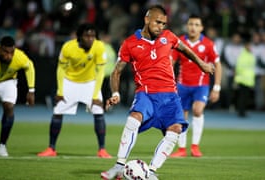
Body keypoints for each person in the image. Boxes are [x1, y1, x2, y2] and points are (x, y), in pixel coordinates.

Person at [100, 5, 214, 180]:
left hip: (170, 95)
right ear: (147, 19)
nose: (161, 26)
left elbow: (185, 50)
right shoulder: (130, 43)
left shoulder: (168, 37)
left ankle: (151, 171)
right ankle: (119, 166)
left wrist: (202, 65)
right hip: (146, 92)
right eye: (158, 22)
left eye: (164, 23)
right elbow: (116, 71)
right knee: (134, 117)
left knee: (176, 129)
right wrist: (116, 94)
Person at [37, 23, 112, 158]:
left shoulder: (99, 46)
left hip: (90, 82)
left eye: (93, 36)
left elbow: (100, 71)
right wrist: (60, 91)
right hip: (69, 82)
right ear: (79, 37)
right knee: (57, 112)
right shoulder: (68, 47)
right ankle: (51, 148)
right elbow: (61, 69)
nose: (90, 39)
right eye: (87, 36)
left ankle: (102, 150)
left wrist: (95, 94)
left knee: (98, 112)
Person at [170, 14, 222, 158]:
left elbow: (217, 65)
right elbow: (170, 63)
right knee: (182, 116)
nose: (193, 27)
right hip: (182, 85)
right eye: (191, 24)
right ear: (187, 26)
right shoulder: (179, 42)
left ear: (201, 28)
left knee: (198, 110)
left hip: (201, 85)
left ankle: (195, 147)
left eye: (196, 24)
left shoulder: (208, 44)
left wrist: (217, 87)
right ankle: (181, 149)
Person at [234, 33, 256, 117]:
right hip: (243, 79)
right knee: (242, 97)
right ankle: (241, 112)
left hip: (248, 79)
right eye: (248, 45)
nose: (250, 47)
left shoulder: (250, 54)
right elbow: (239, 67)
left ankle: (243, 111)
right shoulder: (243, 55)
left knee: (245, 97)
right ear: (245, 46)